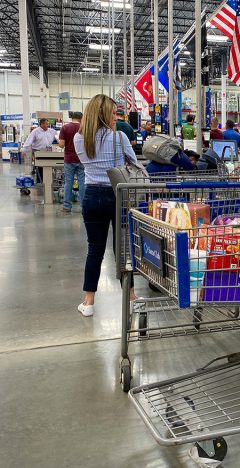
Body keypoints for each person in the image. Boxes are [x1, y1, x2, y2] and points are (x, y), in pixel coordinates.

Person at [74, 94, 138, 317]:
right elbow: (135, 164)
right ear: (102, 114)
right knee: (122, 250)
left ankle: (89, 302)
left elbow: (86, 163)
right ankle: (131, 298)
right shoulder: (119, 137)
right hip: (117, 195)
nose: (116, 117)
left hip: (91, 197)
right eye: (112, 113)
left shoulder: (79, 138)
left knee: (94, 250)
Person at [58, 112, 85, 213]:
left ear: (72, 118)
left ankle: (66, 206)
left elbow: (61, 145)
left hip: (69, 159)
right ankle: (83, 206)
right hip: (82, 159)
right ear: (81, 119)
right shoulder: (84, 128)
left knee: (68, 183)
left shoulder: (65, 128)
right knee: (82, 182)